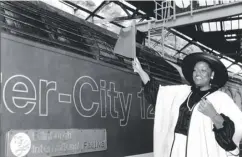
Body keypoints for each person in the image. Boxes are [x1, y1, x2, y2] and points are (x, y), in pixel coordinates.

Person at [132, 52, 242, 157]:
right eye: (195, 70)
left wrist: (213, 115)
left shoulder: (221, 99)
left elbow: (231, 135)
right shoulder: (182, 92)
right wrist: (140, 70)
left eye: (203, 70)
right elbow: (157, 94)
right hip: (176, 150)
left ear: (212, 74)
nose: (197, 73)